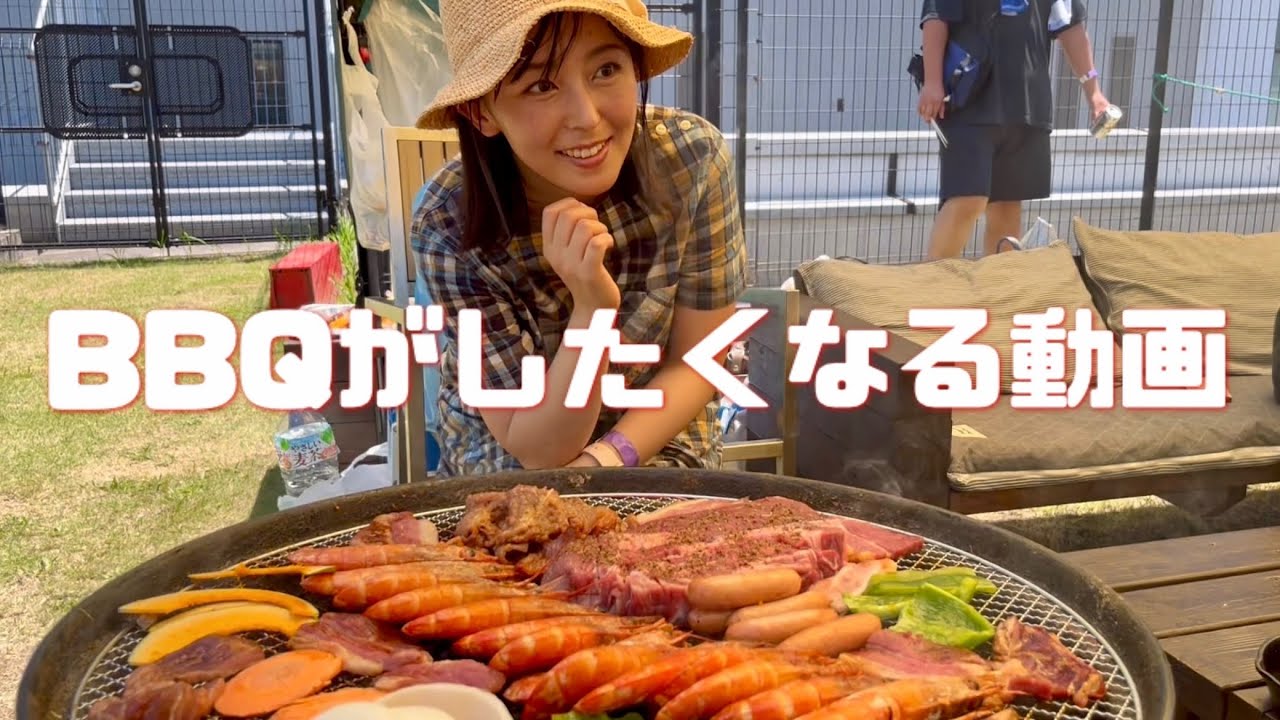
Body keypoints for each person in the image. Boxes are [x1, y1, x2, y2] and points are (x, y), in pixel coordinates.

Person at [408, 0, 749, 476]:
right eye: (541, 86)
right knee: (519, 514)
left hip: (653, 420)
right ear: (480, 111)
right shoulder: (447, 224)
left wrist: (603, 460)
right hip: (513, 442)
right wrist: (592, 308)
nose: (587, 117)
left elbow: (696, 361)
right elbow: (537, 448)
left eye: (606, 70)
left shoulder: (693, 161)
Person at [916, 0, 1112, 259]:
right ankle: (934, 281)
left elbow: (1070, 26)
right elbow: (936, 15)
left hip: (1026, 104)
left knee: (1007, 206)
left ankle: (1000, 283)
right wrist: (932, 82)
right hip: (969, 100)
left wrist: (1094, 93)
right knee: (967, 199)